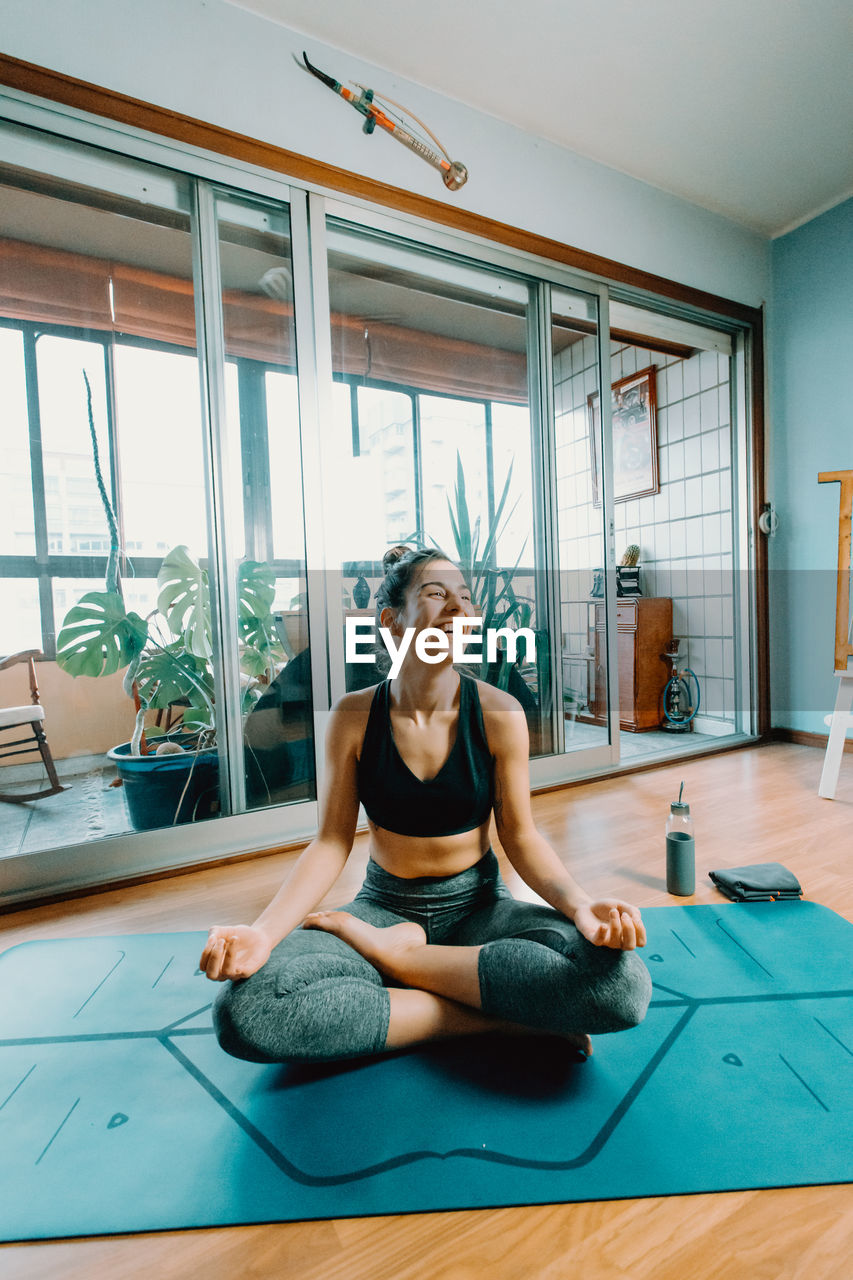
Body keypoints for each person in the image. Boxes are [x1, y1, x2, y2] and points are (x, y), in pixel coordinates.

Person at [201, 546, 652, 1064]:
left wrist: (579, 905)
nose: (458, 607)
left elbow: (521, 836)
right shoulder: (352, 716)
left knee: (621, 987)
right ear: (392, 623)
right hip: (382, 909)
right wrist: (261, 934)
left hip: (480, 910)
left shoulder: (500, 713)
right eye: (436, 594)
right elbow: (329, 843)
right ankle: (498, 1020)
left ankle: (404, 964)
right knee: (248, 1011)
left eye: (465, 597)